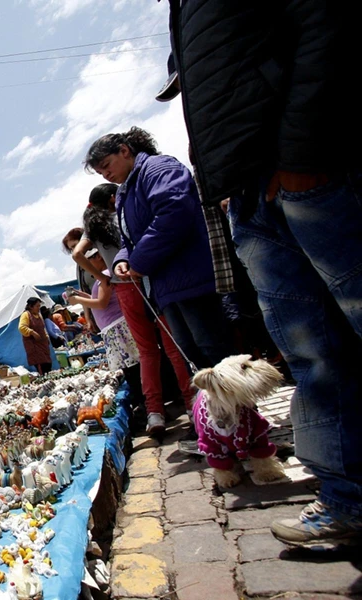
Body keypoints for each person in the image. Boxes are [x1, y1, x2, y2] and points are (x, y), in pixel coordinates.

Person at [165, 1, 362, 545]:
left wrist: (301, 151)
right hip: (248, 187)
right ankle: (347, 497)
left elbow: (328, 22)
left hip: (305, 166)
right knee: (312, 355)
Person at [84, 127, 234, 371]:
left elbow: (173, 215)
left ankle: (240, 409)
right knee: (191, 353)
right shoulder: (124, 191)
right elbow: (129, 236)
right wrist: (122, 259)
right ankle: (216, 409)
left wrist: (138, 261)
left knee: (213, 350)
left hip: (190, 276)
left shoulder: (159, 169)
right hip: (165, 285)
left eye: (107, 165)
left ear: (124, 151)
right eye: (101, 172)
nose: (106, 175)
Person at [71, 183, 196, 435]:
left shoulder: (91, 228)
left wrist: (102, 277)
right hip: (148, 279)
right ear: (112, 199)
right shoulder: (124, 215)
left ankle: (154, 413)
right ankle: (192, 405)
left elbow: (76, 254)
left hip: (124, 289)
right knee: (172, 347)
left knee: (147, 352)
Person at [67, 248, 140, 376]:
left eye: (88, 260)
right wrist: (82, 296)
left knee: (132, 367)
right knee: (129, 365)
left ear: (98, 257)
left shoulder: (105, 275)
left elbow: (101, 303)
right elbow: (98, 300)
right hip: (113, 328)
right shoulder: (101, 278)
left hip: (117, 327)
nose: (86, 266)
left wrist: (78, 300)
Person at [61, 227, 98, 332]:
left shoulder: (98, 259)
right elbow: (85, 292)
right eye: (71, 249)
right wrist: (88, 318)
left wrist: (77, 299)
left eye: (74, 246)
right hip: (98, 313)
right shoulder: (79, 266)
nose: (74, 251)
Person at [18, 297, 53, 375]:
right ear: (31, 306)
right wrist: (32, 332)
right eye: (37, 306)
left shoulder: (39, 315)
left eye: (39, 306)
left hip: (43, 345)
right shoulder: (26, 314)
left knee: (48, 364)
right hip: (34, 346)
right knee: (41, 366)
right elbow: (22, 327)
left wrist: (46, 336)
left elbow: (42, 328)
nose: (38, 308)